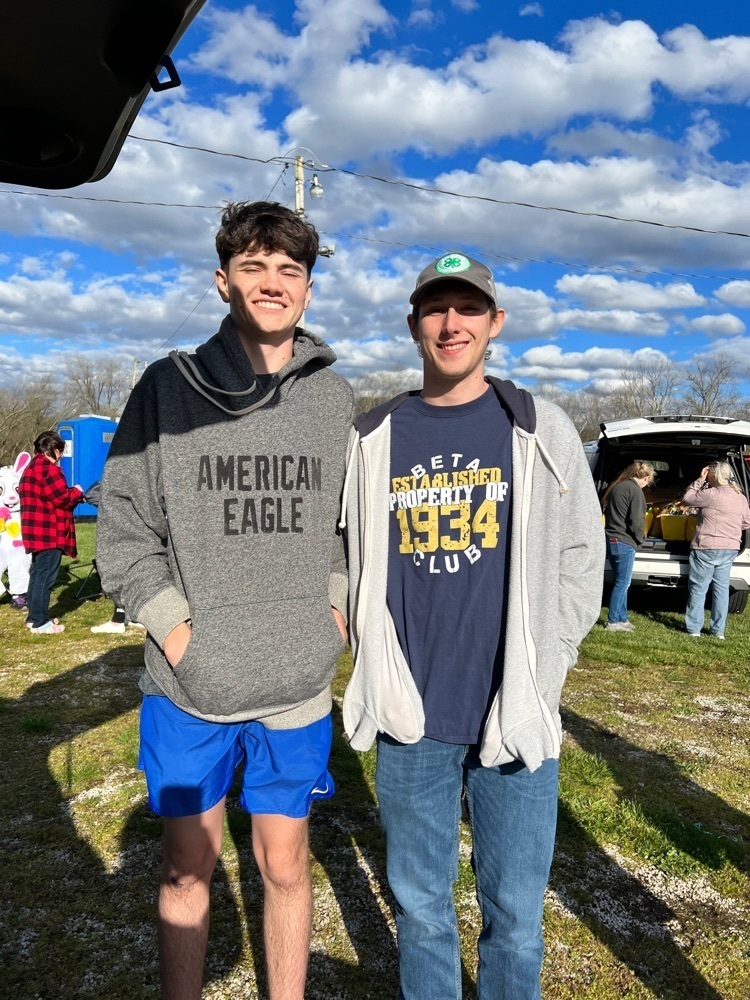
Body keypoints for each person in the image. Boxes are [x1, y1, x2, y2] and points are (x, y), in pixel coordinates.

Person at [96, 201, 353, 1000]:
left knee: (286, 868)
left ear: (307, 288)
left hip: (298, 690)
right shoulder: (164, 389)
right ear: (222, 281)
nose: (272, 284)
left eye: (289, 270)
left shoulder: (334, 400)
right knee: (186, 868)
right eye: (254, 267)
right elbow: (125, 525)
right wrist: (177, 633)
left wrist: (333, 618)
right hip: (190, 689)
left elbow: (342, 531)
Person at [341, 251, 604, 1000]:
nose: (450, 323)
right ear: (414, 324)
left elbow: (585, 554)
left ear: (495, 324)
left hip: (514, 715)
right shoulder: (371, 439)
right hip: (409, 720)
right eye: (435, 309)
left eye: (467, 309)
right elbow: (344, 549)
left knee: (515, 916)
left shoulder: (538, 426)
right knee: (422, 912)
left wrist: (546, 666)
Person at [18, 430, 84, 634]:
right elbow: (62, 497)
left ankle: (34, 617)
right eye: (60, 451)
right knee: (46, 577)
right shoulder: (48, 469)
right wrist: (78, 492)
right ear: (53, 450)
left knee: (37, 575)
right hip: (49, 531)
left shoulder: (30, 468)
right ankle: (39, 621)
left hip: (34, 531)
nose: (62, 456)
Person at [683, 461, 750, 639]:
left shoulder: (710, 494)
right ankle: (718, 630)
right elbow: (746, 523)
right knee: (721, 589)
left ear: (715, 476)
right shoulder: (741, 497)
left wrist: (699, 479)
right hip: (730, 547)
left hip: (706, 546)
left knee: (699, 587)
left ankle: (694, 629)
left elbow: (687, 498)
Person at [601, 460, 655, 632]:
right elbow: (637, 521)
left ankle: (622, 618)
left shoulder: (618, 486)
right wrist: (640, 539)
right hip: (624, 541)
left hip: (611, 538)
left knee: (621, 581)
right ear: (646, 478)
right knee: (623, 582)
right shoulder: (635, 492)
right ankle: (613, 621)